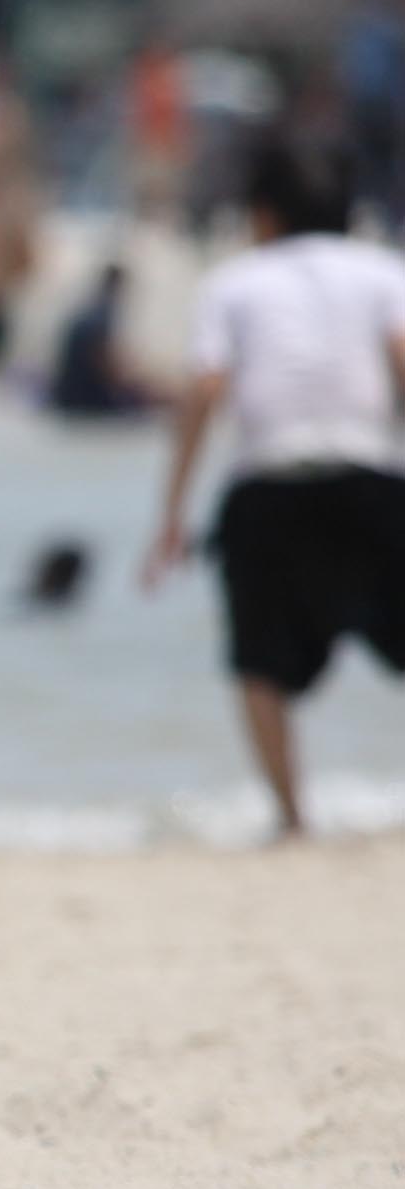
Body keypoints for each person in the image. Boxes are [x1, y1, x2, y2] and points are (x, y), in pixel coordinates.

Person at [144, 131, 405, 838]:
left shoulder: (233, 283)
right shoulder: (383, 272)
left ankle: (292, 815)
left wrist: (170, 514)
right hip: (371, 477)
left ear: (260, 214)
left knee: (257, 659)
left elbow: (202, 390)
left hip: (269, 482)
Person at [47, 264, 157, 419]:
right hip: (82, 400)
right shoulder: (101, 314)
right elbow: (105, 366)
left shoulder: (89, 308)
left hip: (70, 394)